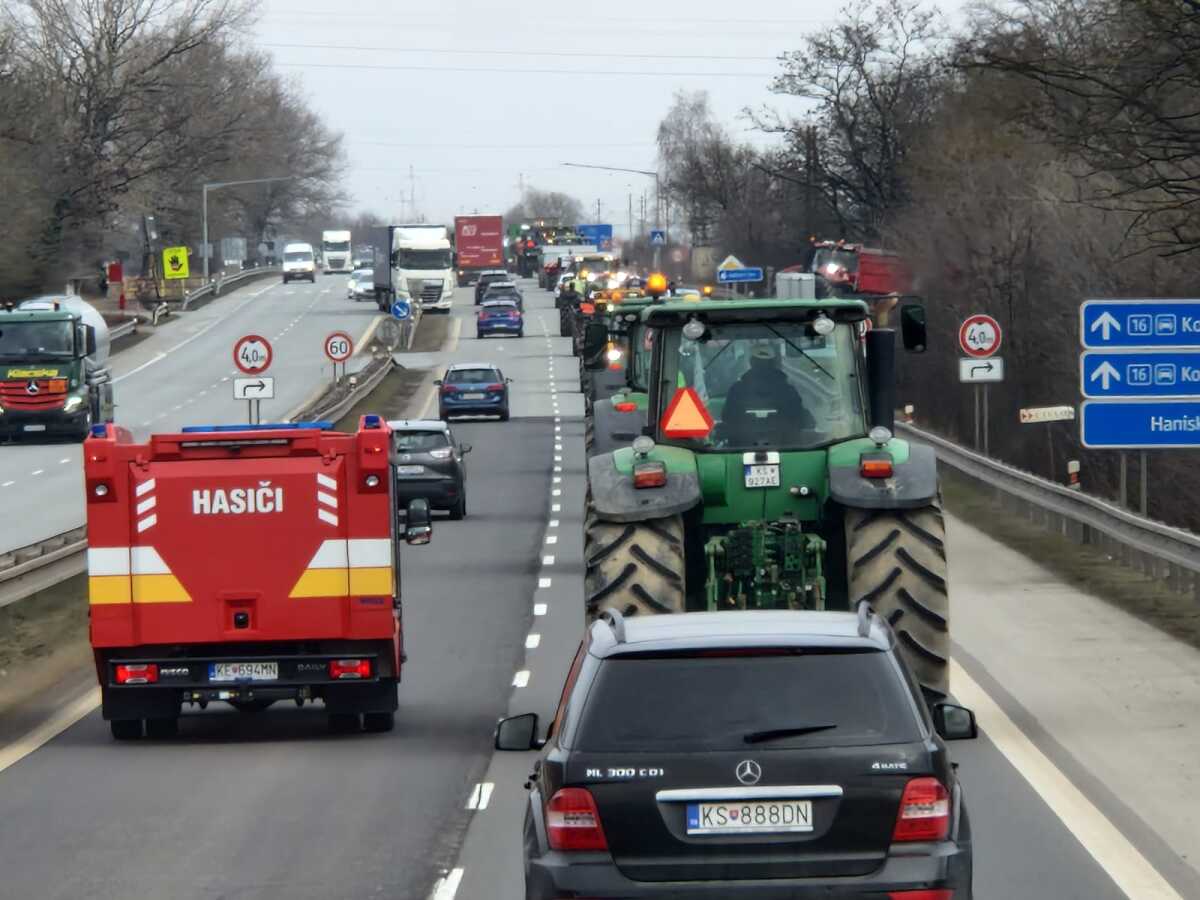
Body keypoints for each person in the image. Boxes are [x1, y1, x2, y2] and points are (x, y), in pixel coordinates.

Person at [720, 342, 815, 444]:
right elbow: (802, 418)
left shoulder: (737, 390)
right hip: (785, 447)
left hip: (742, 446)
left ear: (751, 362)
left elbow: (727, 417)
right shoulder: (787, 390)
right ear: (774, 363)